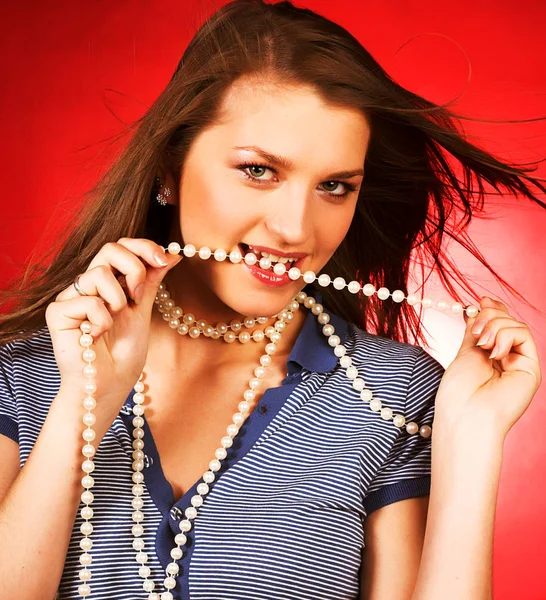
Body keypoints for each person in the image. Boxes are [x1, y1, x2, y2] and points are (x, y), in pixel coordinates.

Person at [0, 1, 543, 599]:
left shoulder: (391, 394)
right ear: (168, 168)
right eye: (259, 171)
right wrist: (83, 401)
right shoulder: (21, 374)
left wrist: (472, 441)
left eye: (334, 187)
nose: (294, 229)